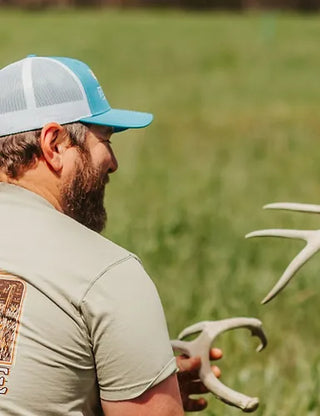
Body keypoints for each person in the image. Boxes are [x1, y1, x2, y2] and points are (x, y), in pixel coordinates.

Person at [0, 54, 219, 415]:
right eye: (105, 139)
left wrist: (131, 384)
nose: (113, 162)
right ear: (54, 144)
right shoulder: (106, 273)